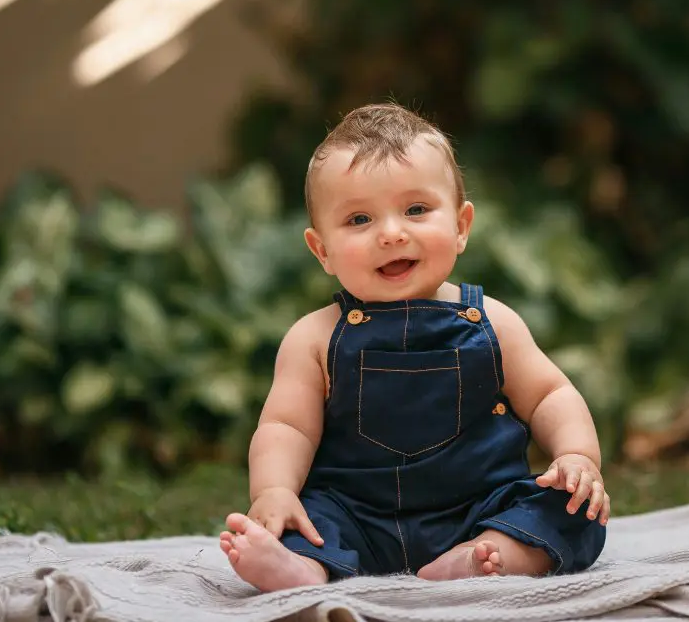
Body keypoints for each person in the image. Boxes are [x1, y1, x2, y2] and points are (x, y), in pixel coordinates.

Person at [219, 103, 610, 592]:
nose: (391, 233)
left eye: (417, 210)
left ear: (461, 226)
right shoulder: (315, 337)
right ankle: (303, 568)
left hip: (481, 507)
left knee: (576, 511)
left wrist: (577, 457)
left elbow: (551, 394)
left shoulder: (493, 322)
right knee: (308, 519)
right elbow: (286, 425)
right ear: (323, 251)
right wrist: (274, 491)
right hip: (356, 514)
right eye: (359, 219)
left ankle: (490, 553)